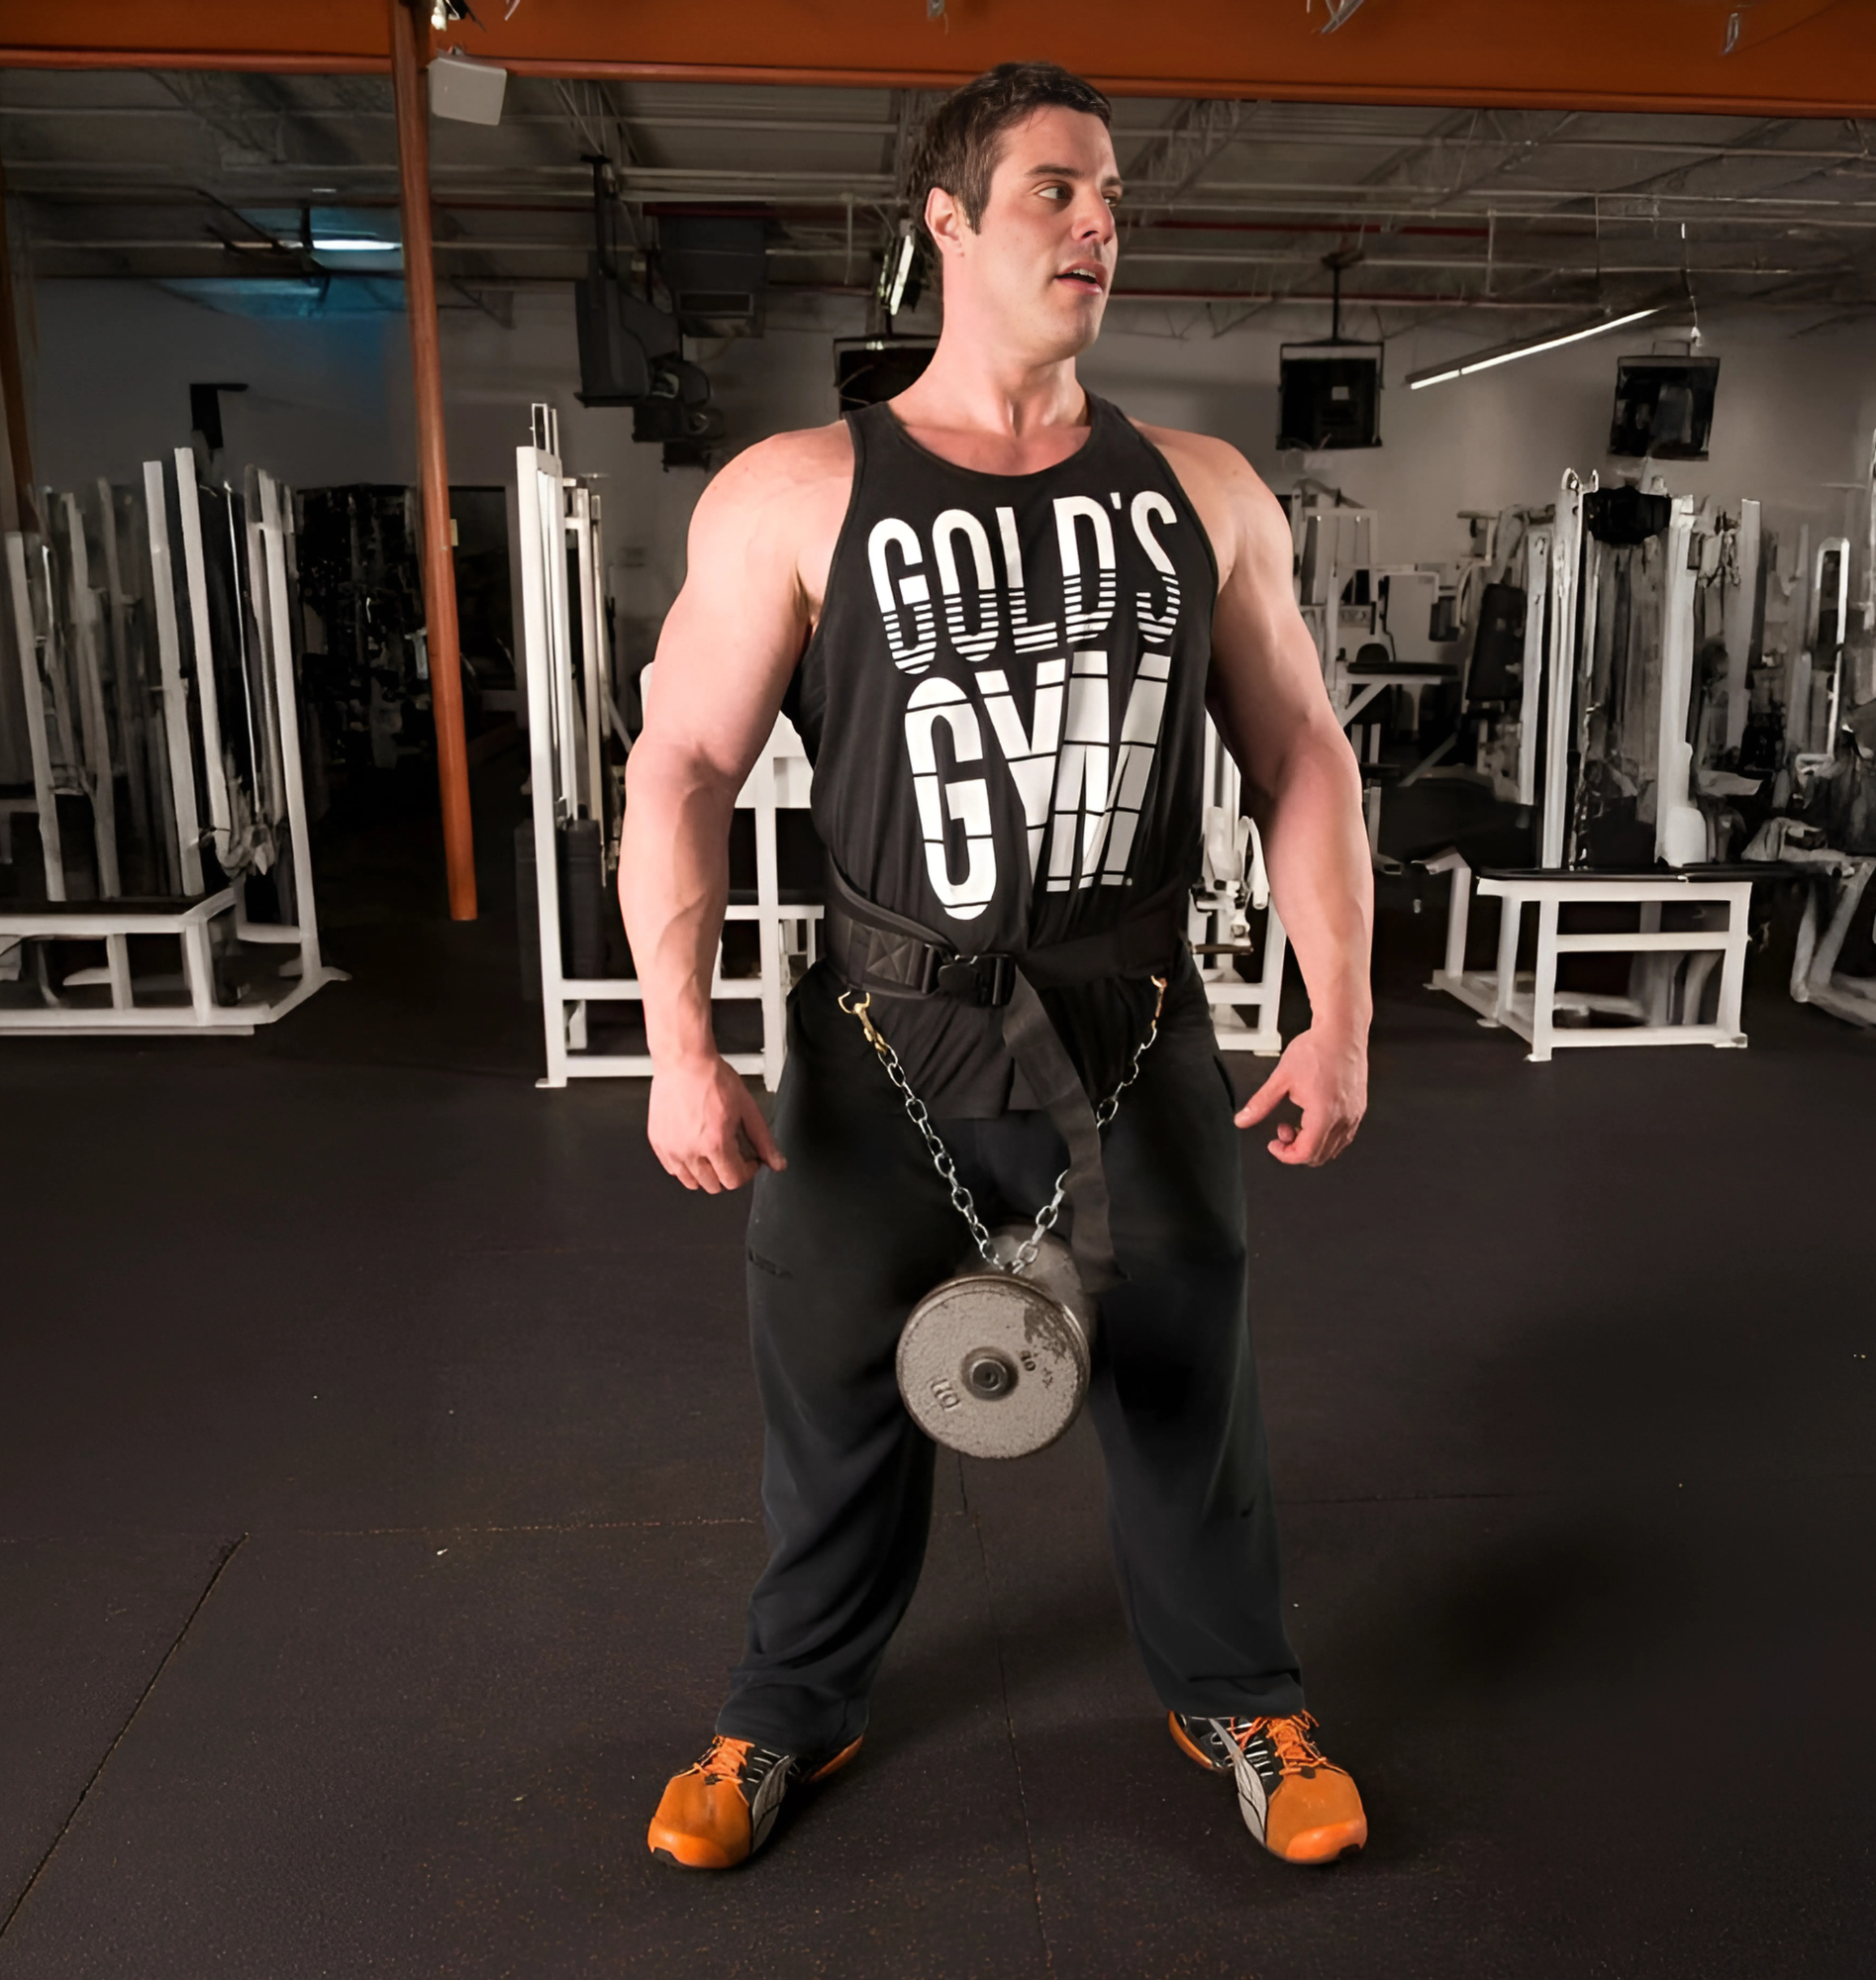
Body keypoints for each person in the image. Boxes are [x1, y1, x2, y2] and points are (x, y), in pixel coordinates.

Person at [617, 61, 1373, 1870]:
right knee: (827, 1373)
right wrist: (678, 1044)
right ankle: (788, 1713)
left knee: (1189, 1374)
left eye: (1111, 195)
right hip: (889, 1026)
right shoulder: (800, 489)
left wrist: (1341, 1013)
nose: (1099, 222)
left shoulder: (1202, 488)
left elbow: (1306, 760)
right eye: (1054, 190)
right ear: (944, 224)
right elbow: (683, 767)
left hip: (1137, 1024)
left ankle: (1241, 1697)